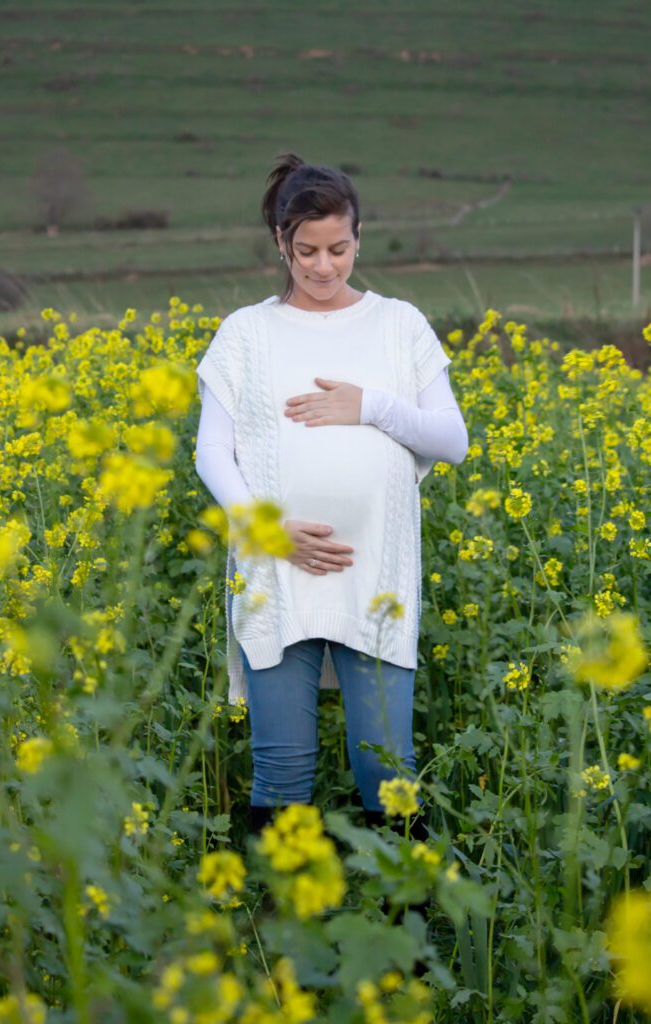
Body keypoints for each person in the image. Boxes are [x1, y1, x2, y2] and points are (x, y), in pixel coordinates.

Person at [195, 152, 469, 839]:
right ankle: (277, 928)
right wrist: (262, 529)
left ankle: (404, 932)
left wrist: (368, 405)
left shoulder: (398, 324)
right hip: (274, 568)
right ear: (280, 244)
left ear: (358, 239)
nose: (323, 266)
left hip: (372, 569)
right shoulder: (244, 334)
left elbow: (450, 439)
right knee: (280, 766)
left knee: (385, 761)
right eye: (306, 251)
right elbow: (211, 452)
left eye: (338, 249)